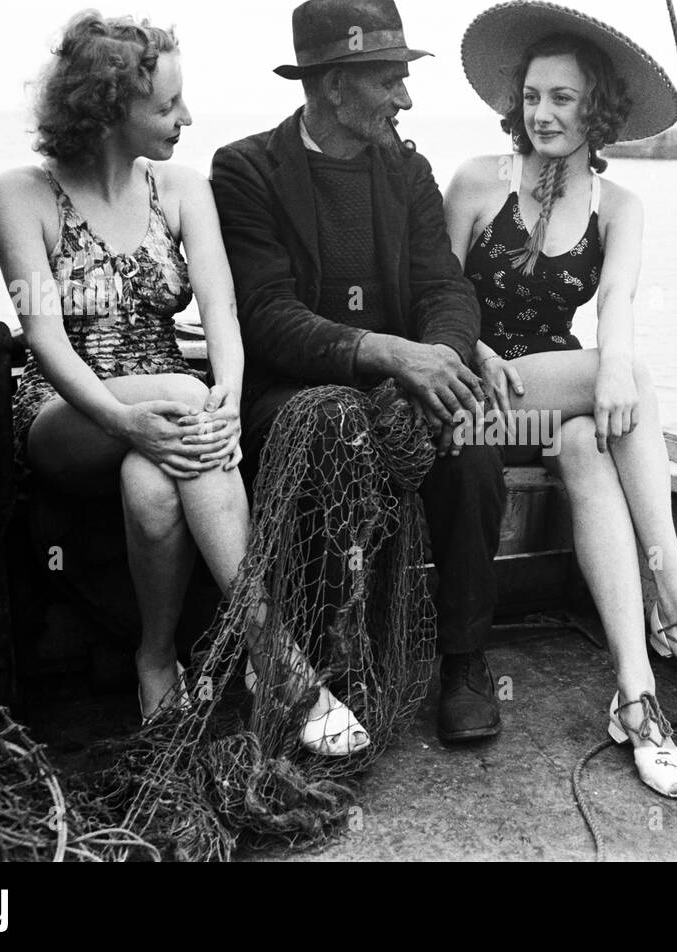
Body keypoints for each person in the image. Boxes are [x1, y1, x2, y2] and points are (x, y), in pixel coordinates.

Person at [0, 10, 367, 754]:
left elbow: (222, 307)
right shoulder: (18, 195)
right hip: (65, 410)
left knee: (153, 484)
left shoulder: (183, 187)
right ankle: (277, 658)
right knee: (181, 402)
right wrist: (134, 416)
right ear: (104, 110)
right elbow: (46, 341)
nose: (186, 117)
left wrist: (227, 387)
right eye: (165, 106)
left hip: (165, 406)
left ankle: (154, 660)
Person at [445, 1, 677, 798]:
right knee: (634, 380)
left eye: (563, 98)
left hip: (551, 407)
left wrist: (611, 363)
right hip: (473, 398)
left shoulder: (621, 208)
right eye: (533, 96)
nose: (542, 113)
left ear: (597, 110)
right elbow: (435, 297)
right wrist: (476, 346)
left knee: (590, 440)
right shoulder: (479, 180)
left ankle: (636, 695)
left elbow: (616, 300)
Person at [210, 0, 506, 743]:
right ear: (333, 84)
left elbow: (445, 287)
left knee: (470, 445)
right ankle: (325, 650)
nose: (404, 99)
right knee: (332, 426)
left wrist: (438, 356)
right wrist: (384, 352)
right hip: (294, 392)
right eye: (388, 80)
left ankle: (464, 659)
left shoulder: (406, 168)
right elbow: (269, 316)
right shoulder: (246, 170)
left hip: (398, 384)